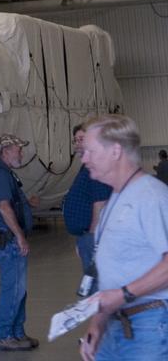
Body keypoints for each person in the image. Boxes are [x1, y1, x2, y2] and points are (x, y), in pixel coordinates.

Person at [78, 114, 168, 361]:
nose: (84, 159)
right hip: (115, 325)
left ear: (115, 151)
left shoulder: (151, 197)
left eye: (89, 151)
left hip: (149, 326)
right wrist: (98, 322)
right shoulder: (116, 199)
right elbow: (113, 271)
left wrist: (123, 295)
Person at [0, 133, 41, 352]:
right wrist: (20, 236)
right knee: (13, 288)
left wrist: (28, 204)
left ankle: (16, 332)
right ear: (5, 151)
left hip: (10, 238)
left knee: (19, 289)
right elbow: (4, 208)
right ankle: (2, 335)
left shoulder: (5, 173)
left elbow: (11, 203)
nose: (21, 152)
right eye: (18, 149)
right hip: (7, 240)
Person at [63, 123, 111, 275]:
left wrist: (91, 239)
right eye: (75, 140)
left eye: (81, 139)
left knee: (96, 282)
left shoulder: (95, 166)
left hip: (95, 237)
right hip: (85, 235)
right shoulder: (86, 166)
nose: (78, 144)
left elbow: (101, 203)